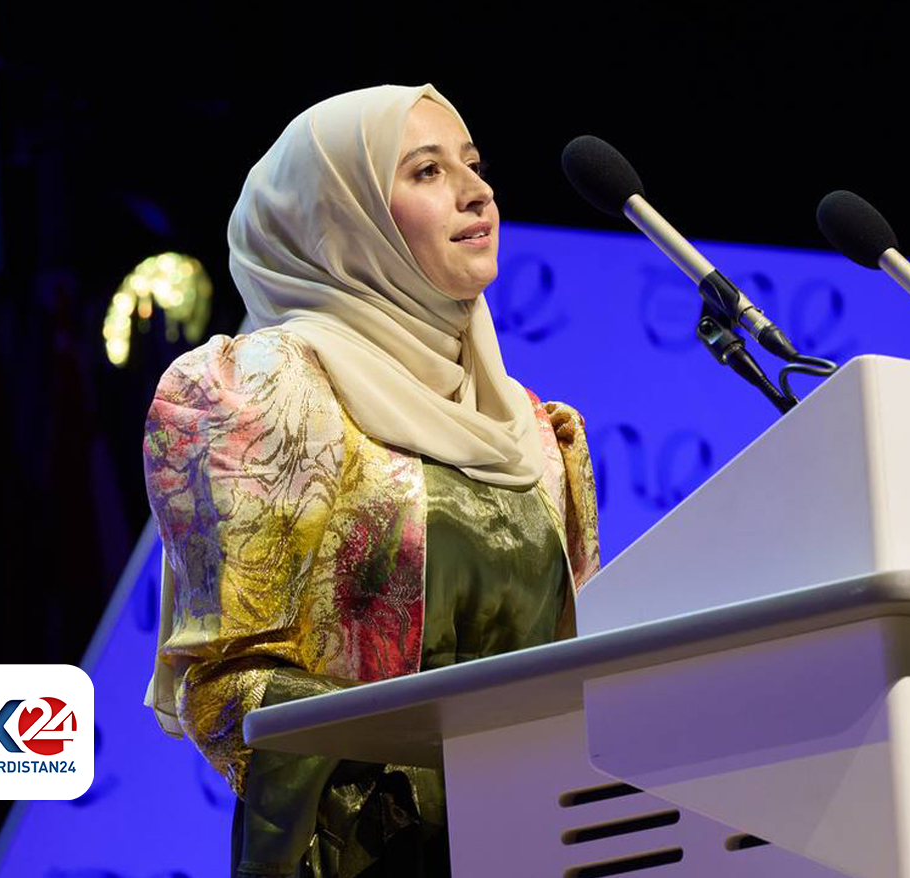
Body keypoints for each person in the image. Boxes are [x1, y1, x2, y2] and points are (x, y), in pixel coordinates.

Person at [141, 83, 601, 878]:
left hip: (533, 838)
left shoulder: (534, 428)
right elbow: (221, 686)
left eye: (473, 164)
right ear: (340, 218)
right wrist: (390, 732)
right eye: (426, 171)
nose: (476, 190)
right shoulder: (268, 387)